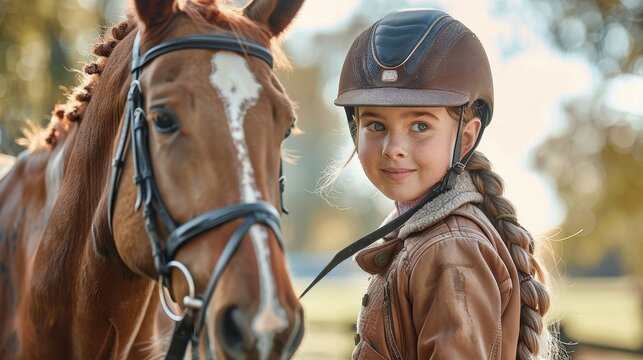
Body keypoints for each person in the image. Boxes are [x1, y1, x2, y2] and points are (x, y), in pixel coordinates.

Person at [329, 8, 561, 360]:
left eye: (419, 126)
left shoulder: (450, 250)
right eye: (375, 125)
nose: (393, 149)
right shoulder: (422, 235)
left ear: (465, 139)